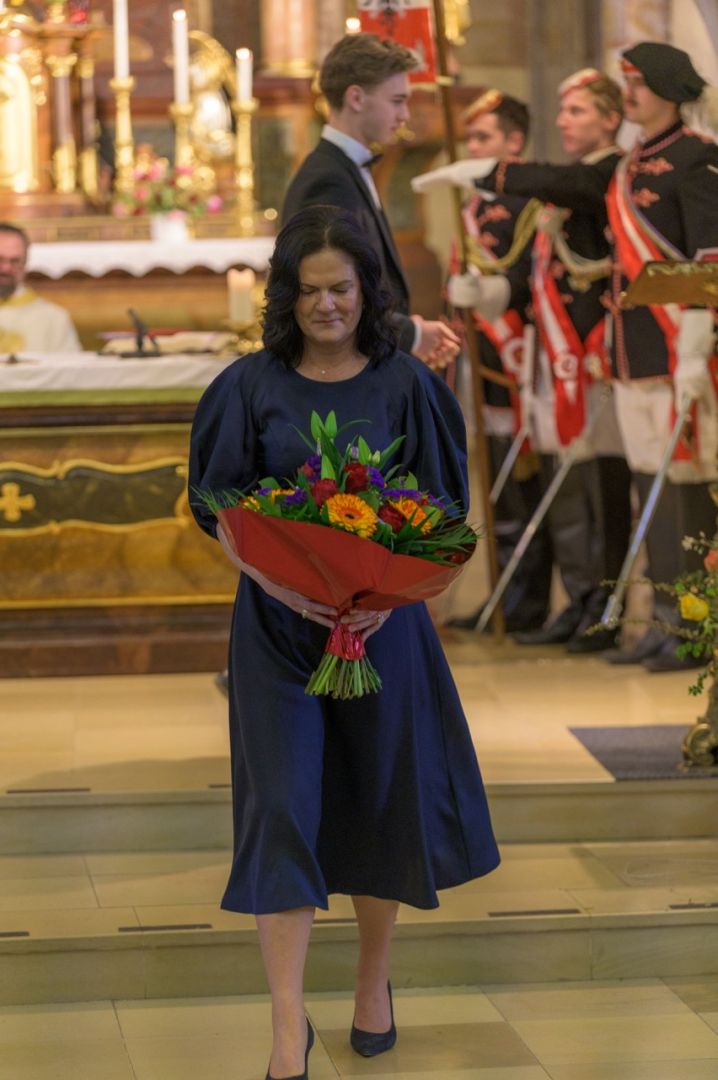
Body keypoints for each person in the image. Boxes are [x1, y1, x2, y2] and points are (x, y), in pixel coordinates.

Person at [189, 205, 500, 1080]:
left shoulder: (409, 387)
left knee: (377, 800)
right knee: (281, 807)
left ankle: (371, 982)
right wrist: (276, 580)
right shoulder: (247, 387)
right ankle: (286, 1023)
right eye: (308, 290)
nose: (325, 305)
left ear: (369, 292)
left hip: (382, 631)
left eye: (341, 289)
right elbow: (218, 506)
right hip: (277, 631)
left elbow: (443, 514)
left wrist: (386, 598)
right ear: (284, 297)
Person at [420, 43, 718, 671]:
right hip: (632, 353)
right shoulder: (629, 165)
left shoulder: (698, 158)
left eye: (637, 84)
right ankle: (665, 619)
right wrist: (484, 174)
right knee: (650, 485)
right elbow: (568, 184)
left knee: (684, 487)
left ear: (667, 90)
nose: (629, 94)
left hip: (676, 350)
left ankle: (694, 624)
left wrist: (695, 344)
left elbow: (707, 258)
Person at [444, 71, 632, 652]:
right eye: (562, 110)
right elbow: (535, 276)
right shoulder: (565, 186)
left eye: (577, 110)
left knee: (601, 487)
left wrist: (489, 173)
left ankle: (605, 607)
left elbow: (571, 195)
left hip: (593, 357)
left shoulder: (608, 173)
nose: (563, 120)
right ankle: (578, 599)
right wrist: (491, 294)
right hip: (553, 358)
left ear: (610, 118)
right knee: (566, 485)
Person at [281, 32, 460, 370]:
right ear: (356, 98)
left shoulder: (345, 168)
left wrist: (407, 330)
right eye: (397, 101)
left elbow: (364, 281)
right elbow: (327, 297)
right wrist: (411, 335)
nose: (404, 114)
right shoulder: (327, 181)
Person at [445, 90, 553, 633]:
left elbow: (532, 283)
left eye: (483, 137)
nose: (473, 147)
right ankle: (504, 600)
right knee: (496, 490)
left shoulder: (530, 204)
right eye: (470, 137)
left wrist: (489, 294)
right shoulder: (472, 205)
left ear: (515, 142)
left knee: (522, 484)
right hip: (482, 361)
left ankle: (527, 606)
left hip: (519, 363)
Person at [0, 223, 81, 352]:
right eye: (0, 259)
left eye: (15, 261)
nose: (6, 268)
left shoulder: (54, 318)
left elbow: (69, 364)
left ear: (26, 263)